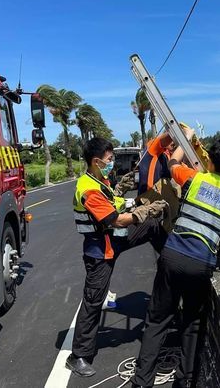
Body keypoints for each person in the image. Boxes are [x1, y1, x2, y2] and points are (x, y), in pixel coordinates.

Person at [131, 133, 220, 388]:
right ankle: (185, 381)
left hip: (172, 255)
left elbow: (172, 164)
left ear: (210, 162)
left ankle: (142, 383)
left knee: (157, 320)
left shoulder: (194, 178)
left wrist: (184, 139)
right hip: (201, 263)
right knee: (192, 323)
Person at [66, 137, 170, 377]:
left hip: (114, 240)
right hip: (100, 251)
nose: (112, 163)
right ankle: (78, 356)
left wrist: (132, 199)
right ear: (95, 161)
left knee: (153, 227)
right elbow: (116, 219)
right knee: (93, 301)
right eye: (110, 159)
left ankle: (171, 261)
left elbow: (115, 202)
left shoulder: (98, 180)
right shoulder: (89, 189)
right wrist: (143, 211)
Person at [138, 131, 174, 195]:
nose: (173, 142)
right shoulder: (152, 148)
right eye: (172, 140)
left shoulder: (167, 156)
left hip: (160, 198)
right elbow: (166, 138)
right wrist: (179, 130)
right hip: (148, 198)